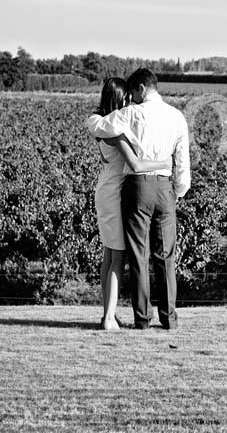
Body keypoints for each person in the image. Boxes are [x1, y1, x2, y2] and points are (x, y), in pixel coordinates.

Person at [86, 69, 190, 330]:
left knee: (138, 254)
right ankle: (169, 318)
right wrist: (177, 191)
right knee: (166, 256)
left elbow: (96, 125)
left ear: (141, 88)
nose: (132, 98)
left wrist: (97, 117)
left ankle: (142, 318)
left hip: (137, 187)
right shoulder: (177, 116)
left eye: (133, 93)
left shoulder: (131, 113)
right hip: (165, 187)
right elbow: (183, 161)